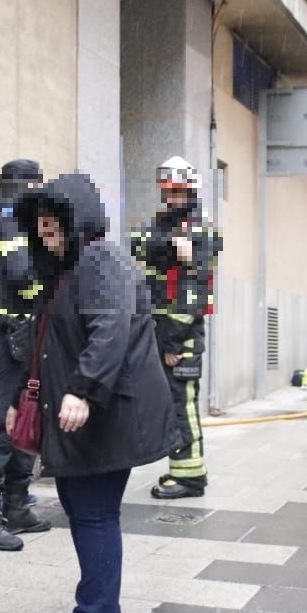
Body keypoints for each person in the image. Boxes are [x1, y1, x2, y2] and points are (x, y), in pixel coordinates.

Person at [8, 173, 178, 613]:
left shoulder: (102, 261)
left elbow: (110, 331)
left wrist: (82, 390)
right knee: (87, 510)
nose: (43, 231)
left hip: (106, 414)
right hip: (92, 413)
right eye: (37, 224)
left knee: (94, 513)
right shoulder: (74, 267)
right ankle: (97, 607)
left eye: (51, 221)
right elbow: (52, 343)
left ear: (75, 218)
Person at [0, 159, 53, 551]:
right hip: (4, 337)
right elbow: (24, 278)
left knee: (23, 420)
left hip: (12, 336)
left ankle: (15, 505)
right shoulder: (11, 224)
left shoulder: (1, 225)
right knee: (0, 422)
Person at [130, 155, 223, 500]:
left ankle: (190, 476)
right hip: (160, 332)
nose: (171, 199)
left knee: (181, 405)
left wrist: (172, 342)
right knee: (170, 404)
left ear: (191, 192)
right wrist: (170, 247)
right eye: (167, 192)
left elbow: (193, 297)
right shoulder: (165, 228)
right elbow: (136, 244)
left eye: (178, 193)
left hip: (178, 338)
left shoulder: (203, 231)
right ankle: (182, 470)